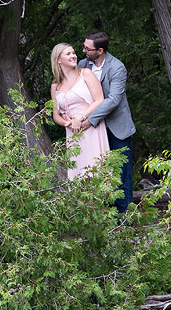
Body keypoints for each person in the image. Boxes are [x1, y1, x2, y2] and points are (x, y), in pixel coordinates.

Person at [78, 31, 135, 213]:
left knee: (121, 173)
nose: (84, 50)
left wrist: (90, 119)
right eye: (84, 46)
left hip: (116, 127)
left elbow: (113, 100)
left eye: (88, 48)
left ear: (100, 50)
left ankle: (123, 219)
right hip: (93, 131)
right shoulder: (82, 65)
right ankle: (103, 217)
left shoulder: (117, 67)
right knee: (98, 172)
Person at [50, 42, 110, 180]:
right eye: (68, 54)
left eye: (73, 53)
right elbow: (56, 114)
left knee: (95, 170)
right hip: (73, 132)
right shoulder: (55, 85)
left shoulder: (85, 74)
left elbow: (99, 100)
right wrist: (68, 124)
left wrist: (80, 118)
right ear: (59, 59)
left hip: (90, 127)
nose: (74, 56)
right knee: (79, 173)